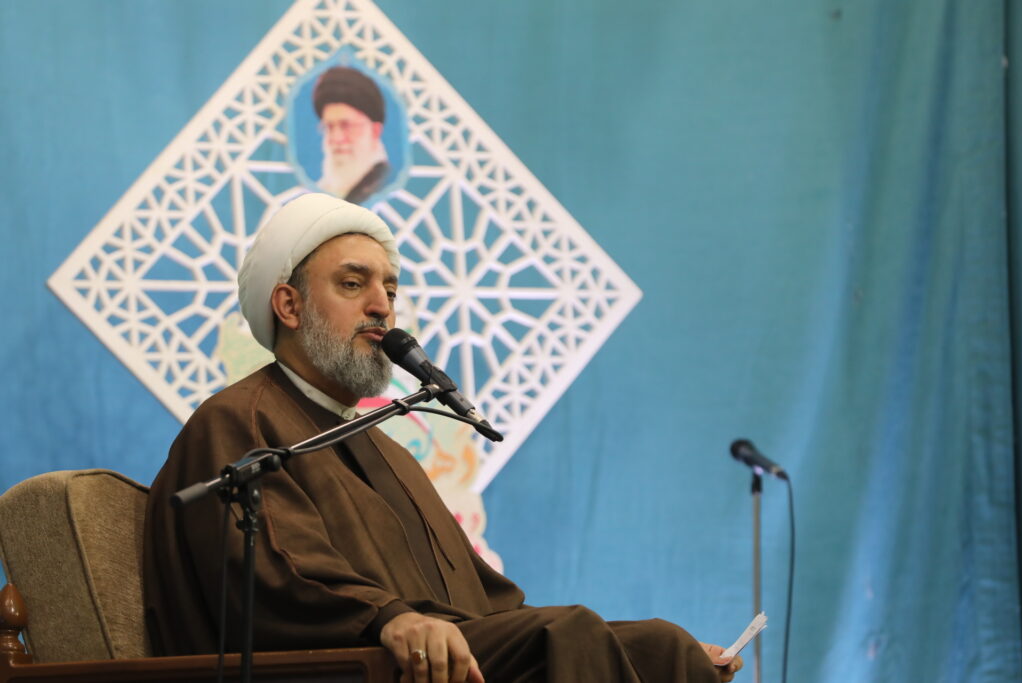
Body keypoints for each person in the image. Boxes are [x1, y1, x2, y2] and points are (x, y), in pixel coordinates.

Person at [143, 193, 743, 683]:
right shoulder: (239, 419)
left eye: (390, 291)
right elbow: (275, 577)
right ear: (289, 306)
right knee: (572, 634)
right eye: (352, 284)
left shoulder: (387, 452)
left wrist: (655, 660)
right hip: (344, 667)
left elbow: (490, 611)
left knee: (664, 647)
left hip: (440, 660)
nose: (382, 307)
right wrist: (388, 618)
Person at [312, 66, 390, 203]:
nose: (337, 138)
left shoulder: (386, 186)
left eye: (346, 126)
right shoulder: (322, 190)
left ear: (375, 131)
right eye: (329, 127)